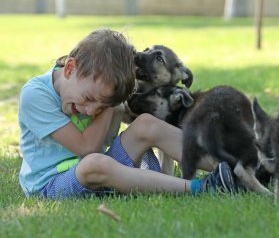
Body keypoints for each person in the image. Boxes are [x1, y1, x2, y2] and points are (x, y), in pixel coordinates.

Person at [18, 28, 236, 199]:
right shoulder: (36, 95)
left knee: (146, 124)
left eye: (103, 106)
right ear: (69, 68)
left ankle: (238, 168)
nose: (92, 110)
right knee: (93, 163)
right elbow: (87, 147)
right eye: (90, 99)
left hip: (105, 172)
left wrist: (113, 100)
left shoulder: (90, 90)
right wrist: (111, 105)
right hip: (53, 185)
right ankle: (204, 187)